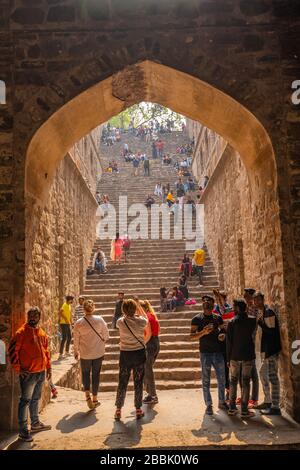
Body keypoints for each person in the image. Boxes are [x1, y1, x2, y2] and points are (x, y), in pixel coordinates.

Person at [8, 307, 52, 442]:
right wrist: (18, 369)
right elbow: (12, 350)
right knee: (25, 401)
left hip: (40, 372)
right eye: (30, 315)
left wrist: (48, 367)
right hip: (28, 374)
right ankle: (23, 431)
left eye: (35, 315)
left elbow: (46, 351)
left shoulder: (41, 333)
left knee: (35, 399)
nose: (32, 317)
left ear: (39, 317)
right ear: (27, 316)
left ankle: (35, 423)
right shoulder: (21, 333)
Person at [190, 295, 227, 415]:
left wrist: (223, 336)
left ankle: (221, 402)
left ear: (212, 306)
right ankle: (208, 404)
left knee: (221, 378)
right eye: (205, 303)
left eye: (209, 304)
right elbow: (191, 336)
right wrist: (203, 332)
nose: (207, 305)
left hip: (218, 352)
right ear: (202, 306)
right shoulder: (196, 319)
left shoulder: (218, 318)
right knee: (206, 380)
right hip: (205, 353)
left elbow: (223, 331)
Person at [114, 299, 148, 420]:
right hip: (139, 353)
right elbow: (146, 319)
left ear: (123, 310)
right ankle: (138, 409)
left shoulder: (120, 322)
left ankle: (118, 409)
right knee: (138, 382)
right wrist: (139, 309)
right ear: (135, 309)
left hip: (125, 354)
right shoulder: (141, 321)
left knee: (122, 382)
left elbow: (121, 320)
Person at [73, 299, 109, 410]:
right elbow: (106, 336)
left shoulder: (79, 323)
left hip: (85, 354)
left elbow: (76, 340)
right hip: (98, 352)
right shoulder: (100, 320)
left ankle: (87, 396)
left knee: (85, 374)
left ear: (83, 309)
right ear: (93, 308)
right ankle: (95, 399)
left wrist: (76, 351)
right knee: (96, 375)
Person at [226, 299, 257, 418]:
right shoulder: (252, 321)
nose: (233, 309)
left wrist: (228, 358)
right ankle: (244, 410)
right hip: (247, 356)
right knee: (246, 382)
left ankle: (232, 408)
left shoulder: (232, 322)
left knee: (233, 381)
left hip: (234, 356)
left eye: (234, 307)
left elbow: (229, 342)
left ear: (238, 308)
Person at [254, 291, 282, 415]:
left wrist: (260, 323)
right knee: (266, 375)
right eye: (255, 300)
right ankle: (269, 402)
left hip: (271, 351)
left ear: (263, 299)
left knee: (273, 378)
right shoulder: (263, 312)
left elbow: (271, 332)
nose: (256, 302)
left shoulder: (269, 312)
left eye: (258, 300)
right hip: (266, 351)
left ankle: (275, 407)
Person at [139, 300, 160, 404]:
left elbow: (148, 333)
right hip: (155, 342)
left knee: (148, 370)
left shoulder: (147, 317)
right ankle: (149, 394)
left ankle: (153, 395)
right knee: (146, 370)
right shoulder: (152, 315)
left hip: (150, 343)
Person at [242, 288, 259, 408]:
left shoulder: (254, 309)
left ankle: (254, 398)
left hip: (251, 342)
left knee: (253, 371)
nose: (245, 299)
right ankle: (245, 397)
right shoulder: (247, 308)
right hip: (245, 342)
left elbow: (253, 327)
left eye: (246, 297)